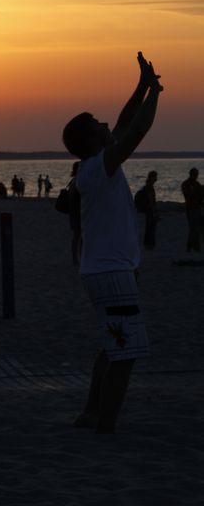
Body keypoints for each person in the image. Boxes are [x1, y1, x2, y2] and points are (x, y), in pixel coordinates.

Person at [62, 51, 162, 434]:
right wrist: (155, 94)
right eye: (97, 124)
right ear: (91, 140)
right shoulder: (99, 167)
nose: (106, 124)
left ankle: (91, 413)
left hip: (104, 273)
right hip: (112, 275)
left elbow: (122, 124)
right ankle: (106, 423)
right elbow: (135, 132)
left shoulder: (93, 167)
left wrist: (141, 86)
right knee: (128, 352)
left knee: (113, 344)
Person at [181, 168, 203, 252]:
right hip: (191, 209)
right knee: (193, 228)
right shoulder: (186, 184)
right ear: (191, 174)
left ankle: (193, 247)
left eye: (197, 174)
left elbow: (200, 196)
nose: (196, 176)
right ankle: (192, 247)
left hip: (197, 208)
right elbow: (188, 195)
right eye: (195, 174)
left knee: (196, 228)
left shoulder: (197, 184)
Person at [67, 161, 81, 265]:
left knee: (76, 236)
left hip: (73, 213)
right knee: (80, 237)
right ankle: (78, 258)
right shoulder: (78, 182)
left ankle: (75, 258)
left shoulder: (72, 181)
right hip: (78, 213)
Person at [141, 170, 159, 250]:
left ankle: (148, 244)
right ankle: (149, 244)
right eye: (155, 177)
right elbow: (151, 200)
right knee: (150, 228)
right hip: (149, 210)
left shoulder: (148, 186)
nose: (156, 179)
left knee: (150, 227)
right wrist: (154, 211)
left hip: (149, 210)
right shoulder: (149, 187)